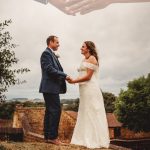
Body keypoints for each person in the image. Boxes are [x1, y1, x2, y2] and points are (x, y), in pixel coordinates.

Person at [67, 41, 110, 148]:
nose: (80, 48)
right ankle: (83, 138)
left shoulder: (92, 59)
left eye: (83, 47)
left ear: (89, 48)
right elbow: (82, 74)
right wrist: (73, 80)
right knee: (85, 110)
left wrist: (74, 81)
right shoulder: (84, 59)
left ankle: (94, 140)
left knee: (92, 111)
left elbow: (88, 77)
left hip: (90, 88)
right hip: (83, 89)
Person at [39, 35, 69, 145]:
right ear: (50, 42)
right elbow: (50, 69)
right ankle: (53, 137)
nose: (58, 44)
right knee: (56, 111)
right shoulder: (46, 53)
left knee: (49, 112)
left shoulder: (51, 54)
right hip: (50, 87)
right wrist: (65, 75)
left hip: (49, 88)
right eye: (57, 42)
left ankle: (47, 136)